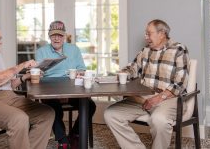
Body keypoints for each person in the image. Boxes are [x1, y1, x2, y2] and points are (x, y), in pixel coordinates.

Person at [104, 19, 190, 149]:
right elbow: (132, 68)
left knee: (159, 120)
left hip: (169, 99)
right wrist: (122, 73)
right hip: (142, 98)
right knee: (111, 114)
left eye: (149, 34)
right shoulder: (145, 51)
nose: (146, 37)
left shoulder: (178, 49)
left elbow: (181, 82)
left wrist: (158, 98)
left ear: (162, 34)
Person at [35, 20, 96, 149]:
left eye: (60, 35)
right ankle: (63, 141)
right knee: (52, 108)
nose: (56, 38)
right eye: (53, 35)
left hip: (72, 88)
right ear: (49, 36)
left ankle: (74, 135)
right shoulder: (41, 52)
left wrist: (79, 73)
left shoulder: (74, 49)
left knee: (90, 106)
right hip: (50, 90)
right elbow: (38, 75)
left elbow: (82, 69)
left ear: (64, 36)